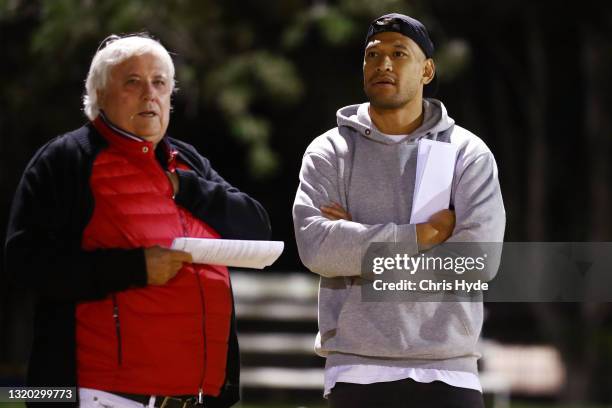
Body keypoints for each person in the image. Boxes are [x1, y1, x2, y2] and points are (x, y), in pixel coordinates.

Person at [5, 34, 271, 408]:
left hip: (196, 398)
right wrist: (134, 268)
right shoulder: (66, 160)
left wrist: (183, 185)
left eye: (160, 82)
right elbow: (24, 263)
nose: (150, 93)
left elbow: (256, 228)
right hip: (102, 395)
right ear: (98, 96)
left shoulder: (188, 162)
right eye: (133, 81)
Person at [292, 13, 505, 408]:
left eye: (398, 54)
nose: (383, 64)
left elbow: (478, 261)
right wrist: (422, 236)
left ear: (426, 71)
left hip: (449, 367)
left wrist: (359, 241)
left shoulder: (467, 154)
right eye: (373, 55)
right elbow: (318, 249)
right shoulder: (330, 151)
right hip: (357, 367)